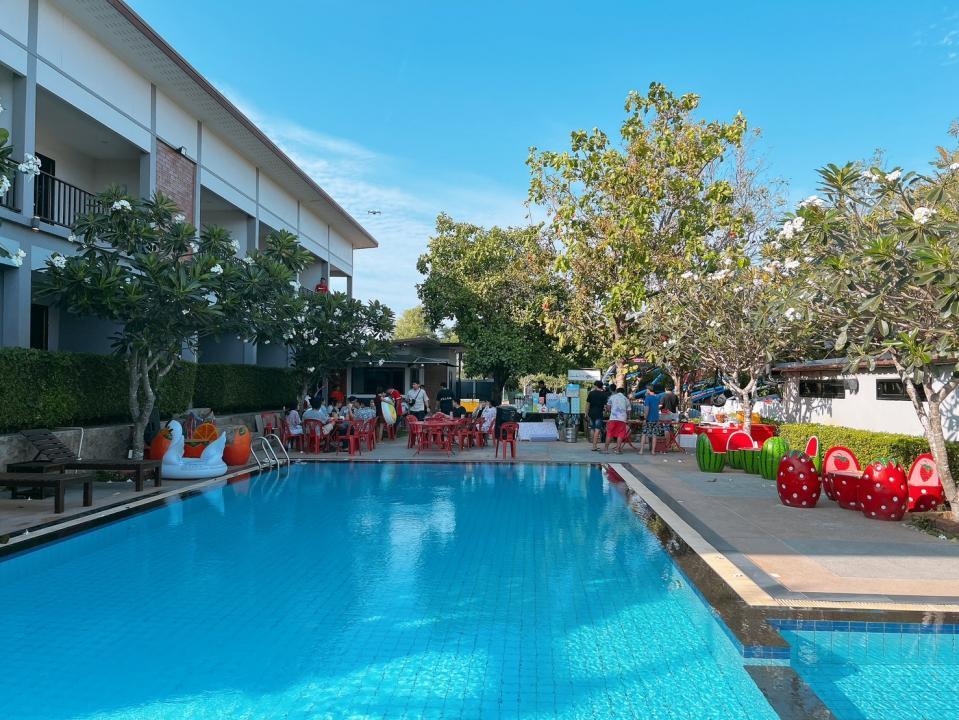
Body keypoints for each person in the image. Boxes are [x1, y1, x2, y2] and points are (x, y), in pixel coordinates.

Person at [604, 387, 631, 454]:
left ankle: (605, 450)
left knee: (609, 433)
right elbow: (628, 410)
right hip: (622, 419)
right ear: (623, 392)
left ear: (616, 391)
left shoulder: (612, 397)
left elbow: (608, 406)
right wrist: (626, 416)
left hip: (613, 418)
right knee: (620, 434)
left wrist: (611, 411)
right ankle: (617, 450)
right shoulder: (626, 399)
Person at [640, 385, 665, 455]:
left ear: (649, 390)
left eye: (647, 389)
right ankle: (653, 451)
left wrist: (645, 418)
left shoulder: (648, 398)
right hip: (656, 419)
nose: (646, 390)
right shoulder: (657, 398)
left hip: (649, 419)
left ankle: (641, 451)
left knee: (644, 434)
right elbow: (658, 408)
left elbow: (647, 409)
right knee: (654, 435)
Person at [586, 380, 609, 452]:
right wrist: (605, 412)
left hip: (591, 413)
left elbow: (587, 404)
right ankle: (594, 446)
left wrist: (586, 413)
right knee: (597, 429)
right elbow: (605, 406)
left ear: (596, 386)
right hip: (599, 413)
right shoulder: (604, 394)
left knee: (593, 428)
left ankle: (594, 445)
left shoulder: (591, 393)